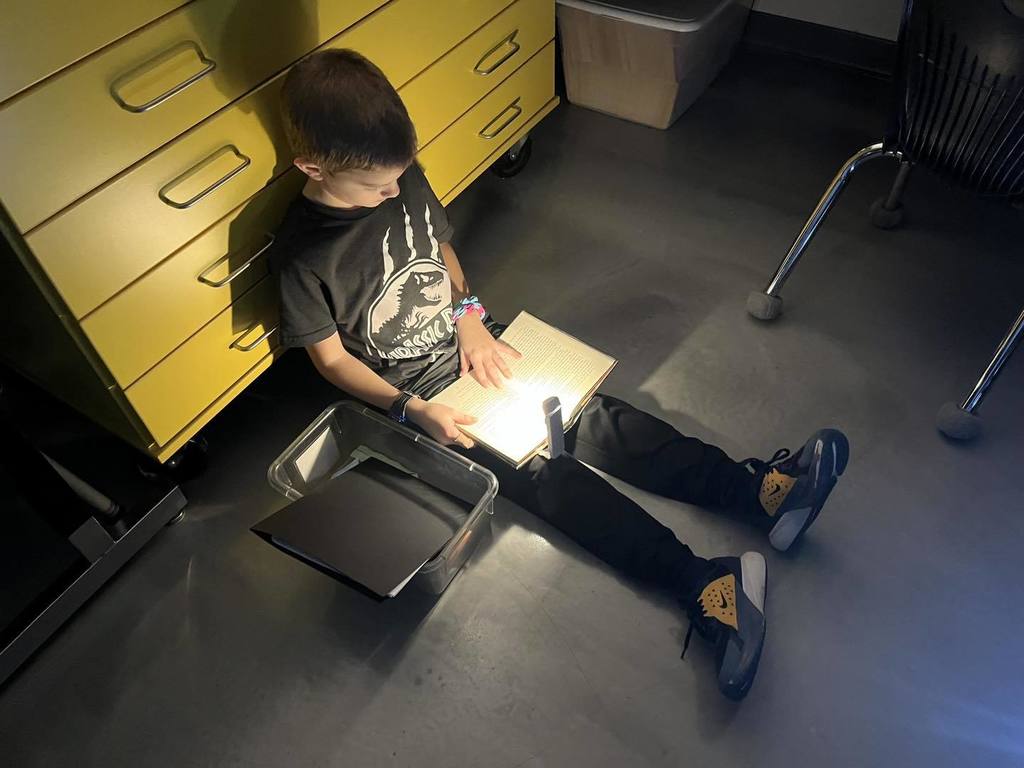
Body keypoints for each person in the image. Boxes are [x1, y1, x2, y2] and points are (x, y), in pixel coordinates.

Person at [269, 49, 849, 701]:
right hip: (424, 399)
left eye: (401, 178)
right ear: (313, 168)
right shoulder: (303, 256)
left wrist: (469, 318)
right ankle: (703, 582)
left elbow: (441, 248)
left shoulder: (399, 178)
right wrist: (411, 409)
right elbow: (331, 360)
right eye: (378, 187)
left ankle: (759, 494)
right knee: (550, 478)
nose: (395, 193)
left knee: (600, 418)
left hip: (472, 348)